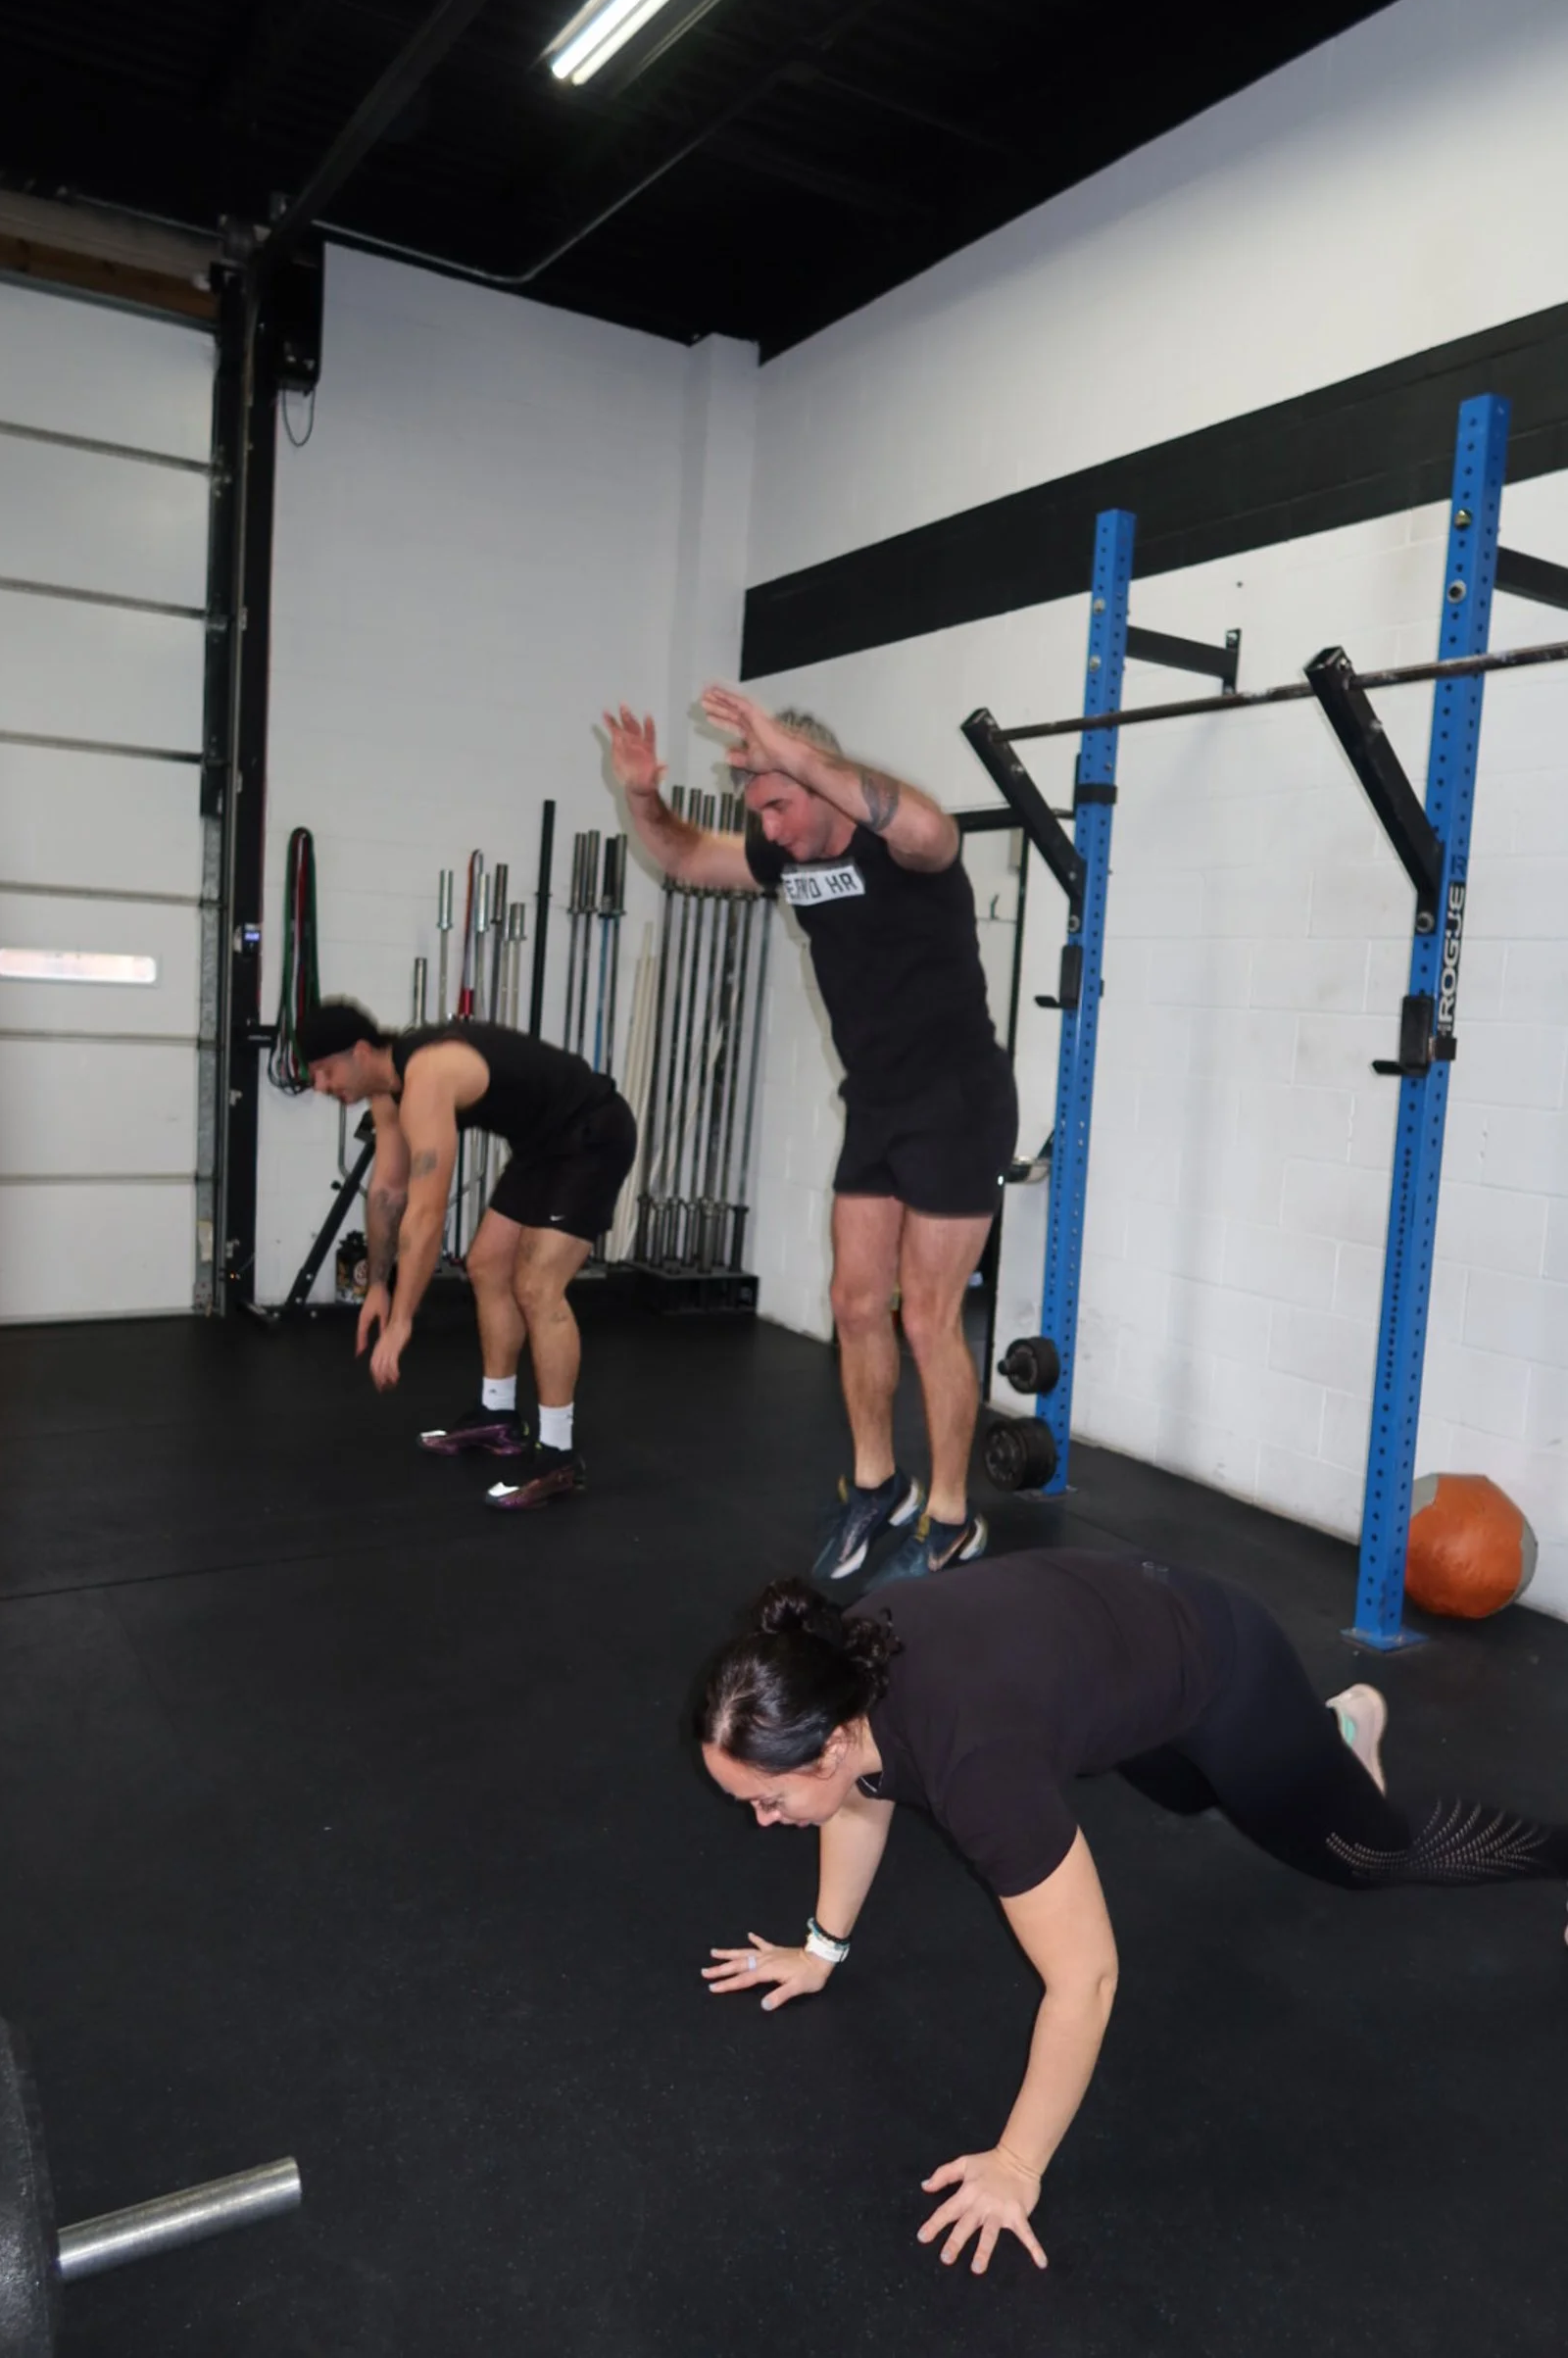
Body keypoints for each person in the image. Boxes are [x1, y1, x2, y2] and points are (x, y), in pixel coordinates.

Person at [690, 1558, 1568, 2276]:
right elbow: (857, 1796)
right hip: (1125, 1674)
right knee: (1190, 1797)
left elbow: (1087, 1980)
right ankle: (1319, 1744)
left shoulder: (978, 1768)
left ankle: (1340, 1752)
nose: (762, 1822)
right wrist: (820, 1949)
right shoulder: (843, 1673)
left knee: (1367, 1857)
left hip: (1219, 1668)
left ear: (834, 1741)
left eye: (766, 1800)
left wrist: (1017, 2165)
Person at [608, 693, 1017, 1586]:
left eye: (778, 805)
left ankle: (950, 1519)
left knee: (930, 1316)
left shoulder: (907, 849)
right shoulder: (782, 848)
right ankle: (879, 1485)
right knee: (855, 1301)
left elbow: (932, 825)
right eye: (760, 815)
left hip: (957, 1101)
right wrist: (641, 797)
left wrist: (792, 752)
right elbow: (682, 854)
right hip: (876, 1101)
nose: (771, 832)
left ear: (814, 780)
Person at [299, 1000, 636, 1509]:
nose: (321, 1086)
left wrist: (403, 1321)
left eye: (325, 1071)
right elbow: (388, 1193)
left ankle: (559, 1456)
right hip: (543, 1146)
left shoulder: (428, 1075)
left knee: (537, 1286)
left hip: (593, 1133)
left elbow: (427, 1212)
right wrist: (378, 1286)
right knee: (485, 1266)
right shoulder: (389, 1092)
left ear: (361, 1052)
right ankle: (499, 1418)